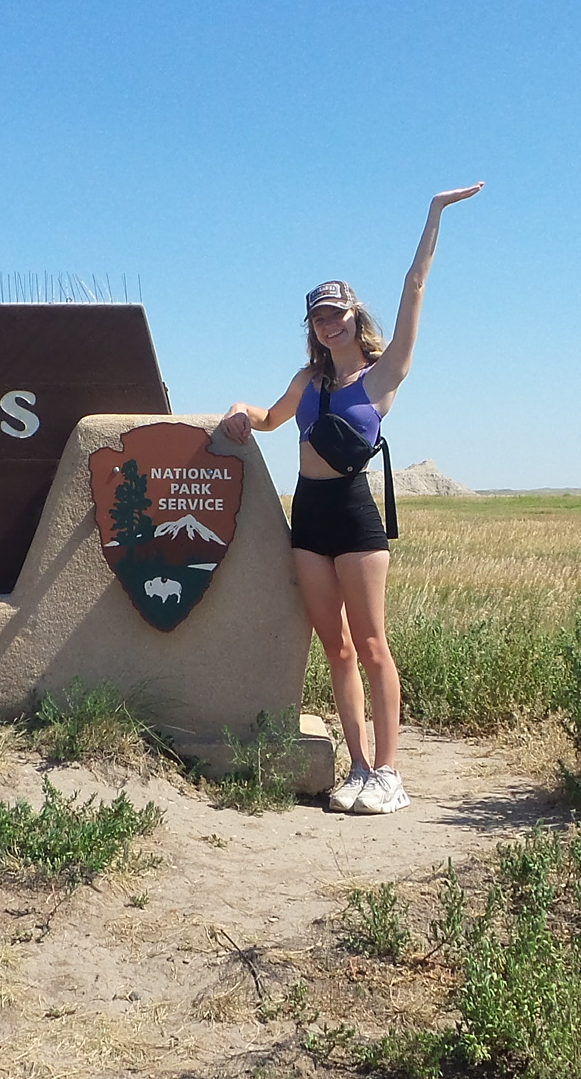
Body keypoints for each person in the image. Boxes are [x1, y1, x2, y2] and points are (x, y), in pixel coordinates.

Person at [221, 182, 482, 815]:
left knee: (371, 645)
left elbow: (414, 286)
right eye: (318, 316)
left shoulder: (383, 373)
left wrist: (433, 213)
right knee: (333, 646)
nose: (329, 322)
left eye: (337, 312)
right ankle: (358, 766)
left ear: (354, 315)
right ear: (311, 326)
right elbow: (272, 418)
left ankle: (390, 773)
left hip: (355, 516)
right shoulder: (308, 379)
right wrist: (239, 412)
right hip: (306, 516)